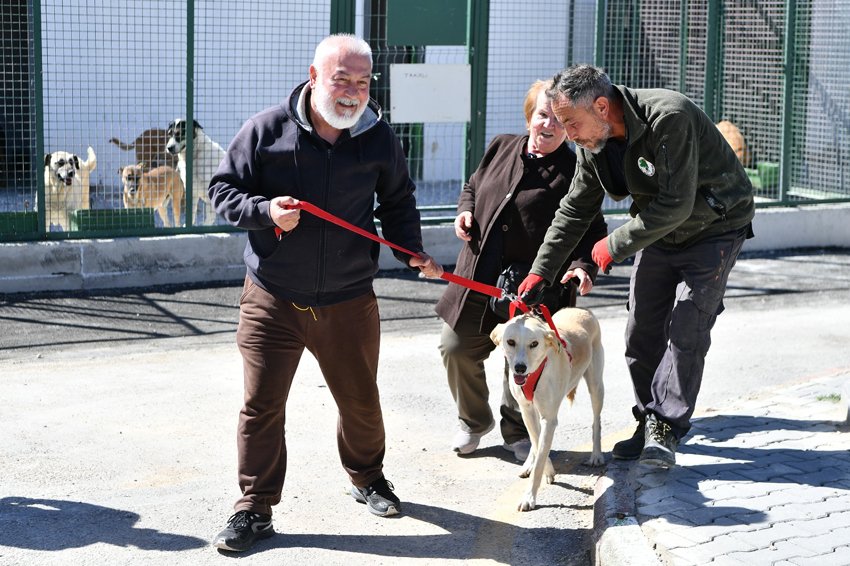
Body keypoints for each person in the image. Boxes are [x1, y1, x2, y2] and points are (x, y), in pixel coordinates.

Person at [207, 34, 443, 553]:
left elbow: (398, 201)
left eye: (363, 81)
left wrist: (411, 250)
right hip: (272, 298)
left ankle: (368, 478)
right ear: (314, 78)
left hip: (348, 299)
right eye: (342, 80)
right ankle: (254, 507)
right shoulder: (265, 130)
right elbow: (222, 190)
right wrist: (266, 211)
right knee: (261, 406)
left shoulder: (378, 137)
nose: (353, 92)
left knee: (361, 402)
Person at [518, 64, 755, 469]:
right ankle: (648, 421)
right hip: (660, 230)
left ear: (601, 106)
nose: (568, 134)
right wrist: (541, 270)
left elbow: (677, 203)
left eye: (571, 123)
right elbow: (576, 208)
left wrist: (614, 245)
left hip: (715, 227)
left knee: (688, 324)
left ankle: (665, 426)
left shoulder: (669, 117)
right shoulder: (592, 140)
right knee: (641, 328)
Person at [435, 79, 608, 462]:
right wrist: (465, 210)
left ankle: (519, 430)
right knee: (455, 346)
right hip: (480, 281)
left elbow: (593, 230)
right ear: (530, 116)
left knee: (525, 360)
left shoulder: (577, 171)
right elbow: (473, 185)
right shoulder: (501, 146)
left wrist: (582, 267)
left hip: (536, 291)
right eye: (543, 115)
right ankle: (474, 421)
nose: (549, 125)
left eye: (559, 120)